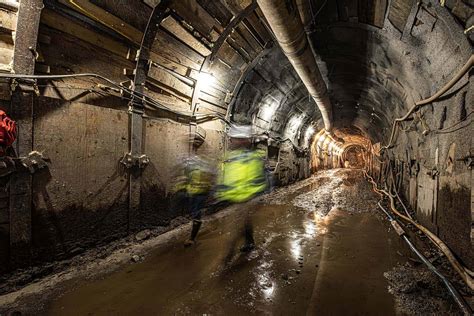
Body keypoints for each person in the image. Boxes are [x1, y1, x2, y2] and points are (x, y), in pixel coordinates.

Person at [215, 125, 267, 252]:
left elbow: (258, 180)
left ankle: (227, 260)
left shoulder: (252, 157)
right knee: (244, 222)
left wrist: (254, 196)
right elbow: (224, 176)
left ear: (244, 140)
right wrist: (220, 194)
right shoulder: (229, 157)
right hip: (234, 198)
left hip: (246, 199)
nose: (232, 141)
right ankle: (249, 242)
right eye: (232, 138)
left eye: (235, 139)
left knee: (235, 229)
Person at [181, 155, 214, 247]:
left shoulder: (195, 172)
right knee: (195, 213)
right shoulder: (201, 171)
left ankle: (192, 238)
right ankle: (193, 235)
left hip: (198, 195)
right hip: (197, 194)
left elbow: (189, 182)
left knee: (196, 214)